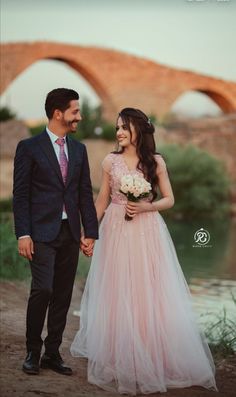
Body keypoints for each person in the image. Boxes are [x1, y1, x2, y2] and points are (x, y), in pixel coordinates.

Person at [70, 107, 218, 394]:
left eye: (124, 127)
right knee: (117, 287)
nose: (119, 132)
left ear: (138, 128)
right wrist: (88, 231)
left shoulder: (155, 162)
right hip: (115, 228)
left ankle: (149, 352)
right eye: (117, 128)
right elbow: (101, 200)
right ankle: (118, 352)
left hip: (146, 229)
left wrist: (146, 205)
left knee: (146, 288)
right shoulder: (110, 161)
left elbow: (170, 199)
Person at [13, 88, 98, 376]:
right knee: (43, 289)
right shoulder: (29, 147)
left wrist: (90, 233)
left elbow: (85, 193)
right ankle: (32, 352)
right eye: (75, 111)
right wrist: (22, 233)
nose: (80, 116)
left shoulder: (79, 150)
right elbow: (20, 194)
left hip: (70, 232)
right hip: (40, 232)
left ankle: (52, 353)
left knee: (63, 294)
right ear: (58, 113)